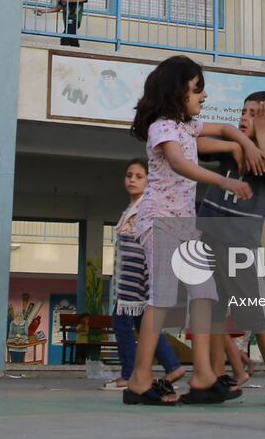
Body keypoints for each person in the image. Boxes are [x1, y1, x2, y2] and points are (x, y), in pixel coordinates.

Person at [122, 55, 256, 406]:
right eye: (197, 89)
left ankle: (203, 378)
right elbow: (181, 163)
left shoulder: (185, 127)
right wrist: (227, 180)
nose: (203, 96)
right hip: (161, 220)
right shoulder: (162, 127)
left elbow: (224, 132)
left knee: (205, 294)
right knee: (162, 299)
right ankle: (138, 381)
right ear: (177, 91)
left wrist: (241, 143)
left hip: (183, 225)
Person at [197, 92, 265, 407]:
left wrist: (260, 137)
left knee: (256, 314)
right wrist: (234, 142)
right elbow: (195, 142)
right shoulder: (232, 152)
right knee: (212, 311)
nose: (244, 116)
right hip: (208, 240)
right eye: (243, 111)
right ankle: (214, 376)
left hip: (239, 248)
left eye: (255, 114)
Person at [106, 158, 187, 393]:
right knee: (145, 325)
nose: (132, 179)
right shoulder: (133, 207)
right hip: (131, 277)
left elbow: (144, 245)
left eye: (139, 176)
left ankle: (129, 373)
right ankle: (172, 365)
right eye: (129, 175)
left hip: (135, 279)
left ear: (150, 180)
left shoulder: (145, 207)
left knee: (122, 323)